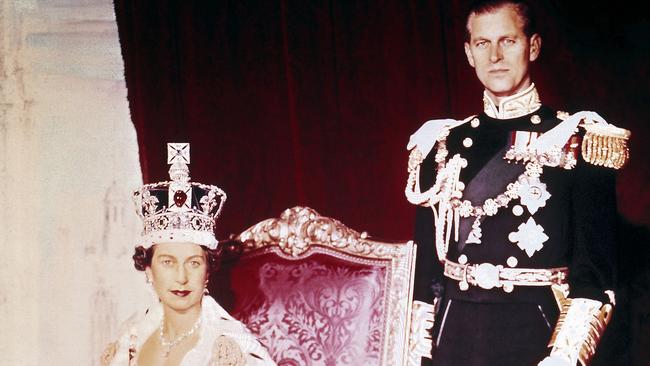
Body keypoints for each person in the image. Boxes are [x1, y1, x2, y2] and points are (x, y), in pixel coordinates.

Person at [404, 1, 631, 365]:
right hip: (454, 339)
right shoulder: (439, 143)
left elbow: (595, 278)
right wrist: (415, 353)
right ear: (468, 53)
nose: (495, 56)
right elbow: (425, 274)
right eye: (482, 44)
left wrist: (564, 357)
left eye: (508, 41)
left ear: (533, 46)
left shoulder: (579, 139)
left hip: (537, 338)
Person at [101, 143, 276, 366]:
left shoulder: (230, 349)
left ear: (208, 270)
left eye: (193, 263)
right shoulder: (130, 340)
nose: (181, 277)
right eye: (167, 262)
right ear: (148, 269)